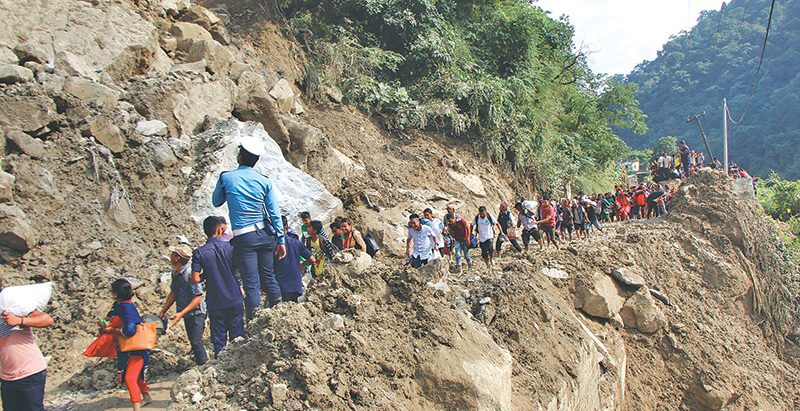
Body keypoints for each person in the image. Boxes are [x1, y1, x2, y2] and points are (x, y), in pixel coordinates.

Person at [212, 136, 286, 316]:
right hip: (266, 236)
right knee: (268, 277)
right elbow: (274, 213)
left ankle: (253, 320)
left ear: (240, 156)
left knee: (251, 282)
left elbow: (216, 201)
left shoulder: (227, 177)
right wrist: (281, 239)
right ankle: (281, 314)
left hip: (244, 238)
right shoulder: (264, 181)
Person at [191, 216, 244, 357]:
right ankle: (237, 364)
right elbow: (239, 268)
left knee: (219, 339)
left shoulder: (199, 252)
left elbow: (195, 278)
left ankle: (221, 365)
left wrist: (207, 275)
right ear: (220, 229)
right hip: (234, 296)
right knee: (237, 336)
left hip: (215, 300)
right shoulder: (231, 248)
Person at [0, 281, 54, 411]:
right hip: (7, 378)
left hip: (30, 373)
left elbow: (47, 320)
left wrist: (19, 321)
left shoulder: (13, 307)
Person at [104, 279, 152, 411]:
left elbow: (130, 330)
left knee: (130, 378)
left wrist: (113, 330)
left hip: (134, 349)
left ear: (115, 294)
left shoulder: (124, 308)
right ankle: (146, 397)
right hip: (135, 348)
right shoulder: (124, 305)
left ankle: (136, 408)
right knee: (136, 376)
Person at [158, 244, 208, 366]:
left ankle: (204, 365)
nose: (170, 256)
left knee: (196, 342)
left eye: (172, 254)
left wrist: (181, 314)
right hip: (187, 312)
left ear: (177, 258)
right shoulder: (175, 274)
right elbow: (174, 292)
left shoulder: (190, 274)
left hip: (197, 312)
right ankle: (199, 363)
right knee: (193, 341)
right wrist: (163, 310)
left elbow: (198, 297)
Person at [275, 216, 317, 302]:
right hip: (296, 285)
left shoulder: (272, 245)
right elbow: (312, 259)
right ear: (286, 228)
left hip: (281, 287)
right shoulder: (297, 243)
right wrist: (302, 265)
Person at [472, 206, 502, 271]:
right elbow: (471, 225)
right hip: (481, 238)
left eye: (483, 213)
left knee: (490, 249)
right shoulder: (477, 218)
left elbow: (497, 223)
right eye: (481, 214)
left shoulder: (489, 216)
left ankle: (491, 259)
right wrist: (470, 234)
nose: (482, 215)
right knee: (484, 253)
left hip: (489, 236)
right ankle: (488, 264)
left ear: (486, 212)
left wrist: (501, 232)